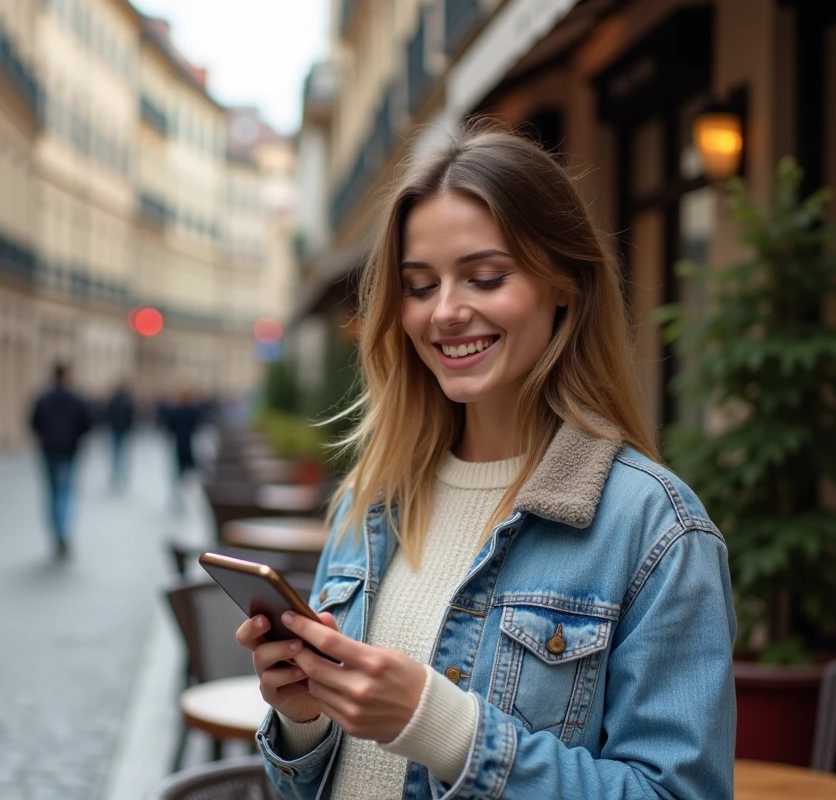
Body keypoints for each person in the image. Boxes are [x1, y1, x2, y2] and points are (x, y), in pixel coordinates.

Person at [236, 125, 736, 799]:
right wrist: (304, 721)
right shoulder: (373, 498)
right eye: (419, 286)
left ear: (564, 283)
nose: (445, 312)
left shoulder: (654, 529)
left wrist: (447, 730)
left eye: (486, 277)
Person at [29, 363, 92, 559]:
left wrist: (46, 437)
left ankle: (57, 532)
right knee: (65, 492)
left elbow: (34, 423)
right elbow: (86, 424)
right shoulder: (76, 398)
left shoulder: (43, 398)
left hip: (49, 450)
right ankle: (63, 530)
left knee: (53, 492)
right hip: (69, 451)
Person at [159, 386, 204, 513]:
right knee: (189, 472)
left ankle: (178, 496)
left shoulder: (174, 411)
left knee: (177, 472)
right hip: (189, 443)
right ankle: (187, 497)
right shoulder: (193, 411)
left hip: (178, 443)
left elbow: (168, 426)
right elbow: (197, 424)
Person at [103, 382, 135, 491]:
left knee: (116, 452)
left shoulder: (113, 401)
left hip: (115, 428)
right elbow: (130, 416)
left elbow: (108, 414)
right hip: (123, 429)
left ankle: (116, 474)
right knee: (122, 453)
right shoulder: (127, 401)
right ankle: (121, 474)